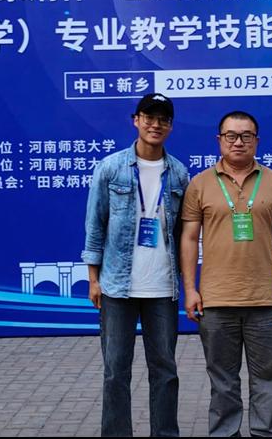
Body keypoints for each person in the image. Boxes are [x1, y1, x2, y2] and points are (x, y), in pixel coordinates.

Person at [180, 110, 272, 437]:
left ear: (257, 141)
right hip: (216, 299)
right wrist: (190, 289)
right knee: (222, 380)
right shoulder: (200, 183)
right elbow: (188, 238)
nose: (238, 142)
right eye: (230, 135)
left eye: (246, 136)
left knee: (267, 377)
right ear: (219, 140)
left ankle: (265, 433)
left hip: (263, 299)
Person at [81, 93, 190, 437]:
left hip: (162, 288)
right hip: (117, 287)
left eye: (163, 119)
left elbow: (184, 234)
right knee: (116, 371)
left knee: (165, 371)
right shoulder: (110, 168)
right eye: (149, 118)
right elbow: (95, 225)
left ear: (170, 126)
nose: (156, 125)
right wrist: (93, 279)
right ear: (136, 120)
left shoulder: (179, 174)